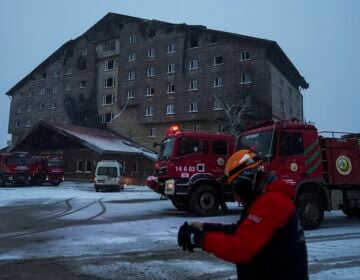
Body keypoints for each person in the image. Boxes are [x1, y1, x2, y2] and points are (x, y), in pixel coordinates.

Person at [178, 149, 308, 280]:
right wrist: (204, 228)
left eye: (236, 186)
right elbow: (241, 230)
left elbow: (242, 248)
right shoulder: (264, 199)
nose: (235, 194)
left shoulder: (271, 202)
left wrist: (203, 239)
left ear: (248, 178)